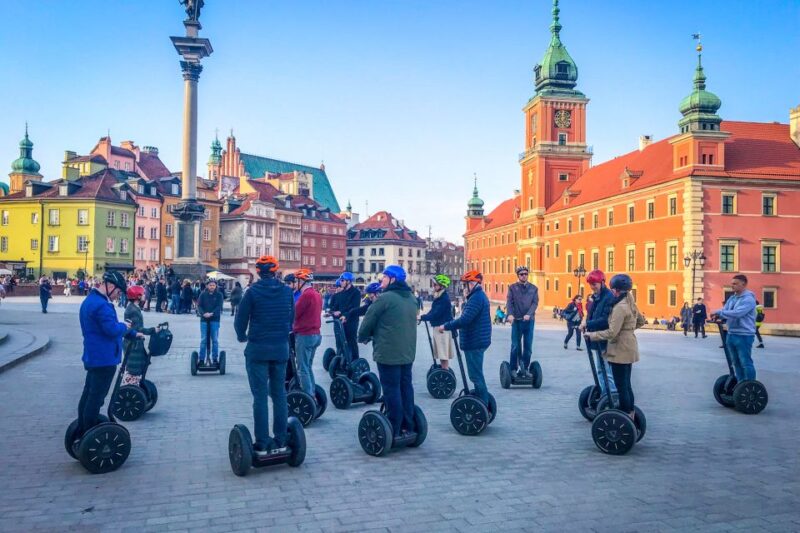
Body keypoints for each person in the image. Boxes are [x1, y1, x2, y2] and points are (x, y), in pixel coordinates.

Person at [234, 255, 295, 455]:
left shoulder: (252, 292)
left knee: (260, 397)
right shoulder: (287, 292)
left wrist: (241, 336)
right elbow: (291, 319)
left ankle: (262, 442)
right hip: (280, 350)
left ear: (259, 273)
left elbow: (240, 320)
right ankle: (281, 439)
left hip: (258, 350)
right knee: (279, 394)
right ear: (275, 272)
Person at [74, 271, 143, 442]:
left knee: (88, 394)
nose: (118, 296)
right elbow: (112, 329)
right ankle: (89, 433)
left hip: (94, 356)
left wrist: (132, 333)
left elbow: (106, 326)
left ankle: (82, 428)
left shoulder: (91, 301)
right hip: (104, 358)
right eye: (118, 292)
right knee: (96, 399)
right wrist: (124, 327)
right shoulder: (101, 305)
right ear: (110, 286)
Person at [358, 265, 418, 437]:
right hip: (407, 353)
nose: (381, 279)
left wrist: (362, 337)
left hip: (388, 353)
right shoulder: (412, 298)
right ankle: (409, 425)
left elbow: (369, 320)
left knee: (391, 389)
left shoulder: (384, 298)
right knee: (406, 388)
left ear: (392, 279)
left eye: (384, 277)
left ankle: (394, 427)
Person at [586, 274, 646, 420]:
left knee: (621, 386)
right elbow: (641, 321)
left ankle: (625, 415)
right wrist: (628, 330)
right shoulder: (630, 302)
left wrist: (592, 335)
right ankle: (630, 413)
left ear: (616, 290)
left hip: (620, 350)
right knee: (627, 385)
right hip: (630, 348)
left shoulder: (620, 307)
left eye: (613, 289)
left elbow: (611, 332)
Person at [440, 270, 491, 405]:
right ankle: (482, 401)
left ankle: (483, 404)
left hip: (475, 342)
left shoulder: (476, 298)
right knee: (476, 374)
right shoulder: (476, 297)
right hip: (476, 340)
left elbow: (465, 320)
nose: (463, 288)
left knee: (476, 376)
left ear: (472, 284)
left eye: (465, 285)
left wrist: (446, 326)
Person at [712, 274, 758, 382]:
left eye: (735, 284)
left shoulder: (748, 299)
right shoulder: (732, 298)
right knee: (735, 362)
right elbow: (725, 310)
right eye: (732, 283)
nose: (732, 286)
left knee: (745, 362)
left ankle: (750, 385)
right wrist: (717, 316)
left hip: (744, 335)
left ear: (744, 284)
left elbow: (738, 313)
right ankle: (740, 384)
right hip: (731, 333)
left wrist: (719, 313)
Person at [582, 269, 617, 394]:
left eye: (594, 284)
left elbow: (605, 320)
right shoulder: (596, 297)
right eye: (591, 285)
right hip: (596, 338)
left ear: (602, 282)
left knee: (606, 371)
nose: (592, 287)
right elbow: (591, 314)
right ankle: (604, 394)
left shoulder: (608, 297)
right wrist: (586, 324)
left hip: (604, 340)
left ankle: (612, 394)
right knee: (600, 370)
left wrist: (588, 324)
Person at [292, 269, 322, 397]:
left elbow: (294, 313)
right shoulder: (317, 294)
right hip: (316, 335)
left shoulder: (306, 296)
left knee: (302, 369)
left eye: (296, 281)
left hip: (305, 335)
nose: (294, 284)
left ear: (302, 281)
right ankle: (313, 393)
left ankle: (308, 397)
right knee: (308, 367)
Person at [505, 266, 539, 378]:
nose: (524, 276)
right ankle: (513, 368)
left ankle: (525, 368)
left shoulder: (534, 288)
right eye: (521, 274)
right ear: (518, 275)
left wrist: (529, 314)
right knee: (515, 346)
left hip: (529, 321)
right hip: (516, 321)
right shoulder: (512, 288)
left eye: (526, 274)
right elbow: (509, 302)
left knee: (528, 347)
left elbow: (535, 303)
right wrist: (510, 314)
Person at [122, 285, 160, 384]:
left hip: (134, 343)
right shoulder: (133, 310)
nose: (144, 295)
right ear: (137, 296)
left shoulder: (133, 307)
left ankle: (132, 388)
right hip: (133, 344)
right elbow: (137, 328)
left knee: (135, 368)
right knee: (133, 370)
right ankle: (130, 388)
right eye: (142, 294)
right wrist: (152, 330)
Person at [420, 275, 454, 370]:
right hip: (439, 328)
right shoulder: (439, 297)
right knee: (441, 353)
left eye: (435, 284)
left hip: (442, 329)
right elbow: (432, 311)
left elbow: (436, 314)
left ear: (442, 286)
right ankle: (444, 370)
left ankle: (445, 371)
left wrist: (423, 317)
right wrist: (422, 317)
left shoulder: (443, 299)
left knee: (443, 354)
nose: (433, 286)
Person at [330, 272, 362, 362]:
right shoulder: (341, 293)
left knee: (351, 341)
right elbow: (336, 306)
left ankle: (355, 361)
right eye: (340, 280)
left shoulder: (356, 293)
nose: (341, 282)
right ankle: (341, 360)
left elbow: (354, 307)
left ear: (349, 281)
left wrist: (342, 313)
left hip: (351, 321)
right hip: (340, 321)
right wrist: (332, 312)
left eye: (342, 280)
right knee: (340, 342)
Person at [197, 279, 224, 365]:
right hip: (204, 320)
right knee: (204, 339)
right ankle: (201, 359)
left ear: (216, 286)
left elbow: (219, 306)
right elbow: (199, 306)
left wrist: (212, 313)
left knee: (215, 339)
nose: (212, 287)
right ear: (207, 286)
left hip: (215, 319)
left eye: (213, 285)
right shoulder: (202, 294)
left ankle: (215, 359)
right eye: (210, 285)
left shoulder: (219, 295)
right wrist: (203, 313)